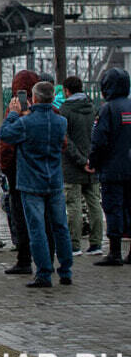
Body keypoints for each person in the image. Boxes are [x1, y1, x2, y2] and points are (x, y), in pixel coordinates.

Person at [0, 80, 74, 288]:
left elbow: (4, 134)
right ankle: (66, 271)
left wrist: (13, 114)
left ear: (35, 98)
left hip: (31, 183)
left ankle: (44, 273)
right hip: (54, 181)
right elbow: (63, 146)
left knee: (37, 228)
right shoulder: (61, 122)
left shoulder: (25, 123)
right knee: (60, 227)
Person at [0, 69, 48, 275]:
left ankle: (24, 258)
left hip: (19, 172)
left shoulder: (15, 112)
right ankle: (49, 260)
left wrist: (13, 115)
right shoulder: (48, 110)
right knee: (46, 218)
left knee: (21, 215)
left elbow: (6, 141)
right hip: (45, 171)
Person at [89, 67, 131, 266]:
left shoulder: (107, 109)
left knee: (113, 208)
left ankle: (115, 252)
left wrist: (93, 162)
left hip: (112, 170)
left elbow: (99, 140)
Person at [58, 75, 102, 256]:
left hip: (72, 167)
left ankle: (74, 245)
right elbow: (98, 136)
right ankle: (97, 243)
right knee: (94, 204)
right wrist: (92, 160)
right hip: (92, 166)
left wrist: (80, 161)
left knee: (73, 205)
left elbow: (65, 140)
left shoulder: (65, 110)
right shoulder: (93, 108)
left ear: (67, 91)